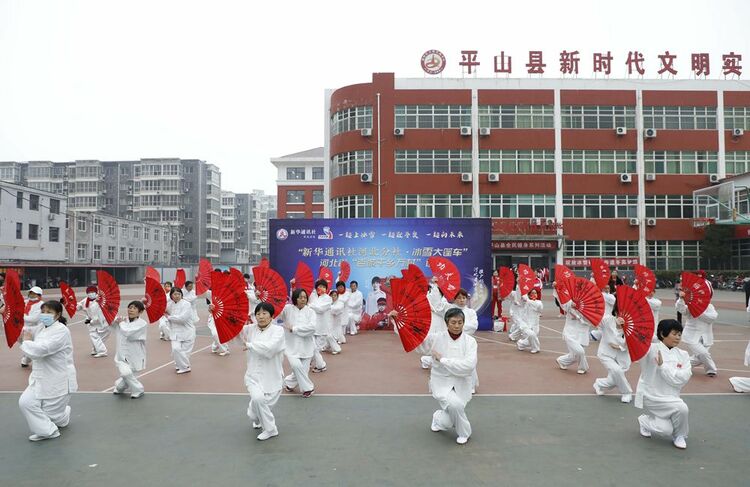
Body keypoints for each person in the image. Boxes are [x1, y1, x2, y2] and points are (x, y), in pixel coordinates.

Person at [408, 307, 477, 445]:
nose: (457, 326)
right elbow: (418, 343)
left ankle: (438, 418)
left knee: (449, 418)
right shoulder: (436, 338)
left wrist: (443, 360)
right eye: (453, 322)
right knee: (455, 405)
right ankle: (465, 433)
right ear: (446, 323)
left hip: (462, 383)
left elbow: (468, 366)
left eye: (460, 322)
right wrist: (400, 325)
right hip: (441, 382)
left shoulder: (470, 342)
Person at [18, 300, 77, 441]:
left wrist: (26, 341)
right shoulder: (40, 328)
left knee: (50, 416)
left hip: (58, 378)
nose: (45, 315)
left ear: (58, 315)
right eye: (43, 312)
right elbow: (24, 336)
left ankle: (60, 418)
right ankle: (49, 430)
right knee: (25, 402)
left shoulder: (61, 331)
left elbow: (42, 349)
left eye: (49, 312)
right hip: (40, 376)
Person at [635, 319, 692, 449]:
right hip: (651, 396)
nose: (678, 337)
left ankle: (645, 422)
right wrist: (621, 328)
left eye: (679, 334)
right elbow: (636, 350)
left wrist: (662, 366)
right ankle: (680, 435)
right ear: (662, 334)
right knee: (682, 407)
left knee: (665, 430)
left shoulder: (683, 355)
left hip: (672, 398)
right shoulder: (651, 349)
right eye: (674, 334)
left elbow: (682, 379)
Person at [244, 302, 286, 441]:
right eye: (258, 314)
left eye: (264, 313)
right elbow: (235, 333)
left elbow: (269, 349)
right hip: (253, 375)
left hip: (272, 377)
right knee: (258, 399)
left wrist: (250, 345)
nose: (261, 317)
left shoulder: (278, 331)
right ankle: (271, 429)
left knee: (254, 413)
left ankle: (258, 418)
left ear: (271, 316)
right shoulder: (250, 329)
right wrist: (216, 314)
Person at [280, 289, 316, 397]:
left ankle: (288, 383)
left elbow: (312, 328)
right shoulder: (287, 309)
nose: (303, 299)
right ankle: (308, 388)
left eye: (305, 297)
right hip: (291, 346)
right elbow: (276, 313)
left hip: (307, 346)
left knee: (302, 372)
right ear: (295, 298)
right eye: (301, 297)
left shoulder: (311, 312)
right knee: (296, 366)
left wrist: (294, 329)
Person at [675, 291, 718, 376]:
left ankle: (682, 365)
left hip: (706, 337)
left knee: (699, 358)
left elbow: (712, 318)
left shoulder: (710, 307)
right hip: (691, 336)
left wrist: (698, 312)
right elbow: (681, 309)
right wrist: (681, 299)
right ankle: (711, 370)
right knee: (703, 354)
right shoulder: (690, 306)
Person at [593, 310, 632, 403]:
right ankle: (627, 392)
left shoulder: (632, 324)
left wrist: (620, 346)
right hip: (606, 354)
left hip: (623, 357)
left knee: (614, 380)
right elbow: (594, 320)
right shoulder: (607, 320)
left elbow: (632, 342)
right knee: (616, 371)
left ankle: (599, 383)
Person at [111, 301, 147, 398]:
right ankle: (139, 389)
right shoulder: (122, 320)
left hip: (135, 355)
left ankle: (119, 387)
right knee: (126, 373)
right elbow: (109, 324)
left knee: (120, 385)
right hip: (121, 356)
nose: (131, 310)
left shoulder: (142, 324)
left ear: (140, 312)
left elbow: (128, 332)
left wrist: (121, 323)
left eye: (135, 308)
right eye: (130, 307)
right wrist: (113, 319)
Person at [555, 285, 592, 374]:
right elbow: (562, 303)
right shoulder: (569, 302)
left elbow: (591, 318)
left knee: (575, 355)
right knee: (580, 351)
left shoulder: (588, 304)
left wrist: (582, 318)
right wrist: (556, 288)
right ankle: (583, 368)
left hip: (582, 331)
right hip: (570, 332)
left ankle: (561, 360)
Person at [309, 279, 340, 373]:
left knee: (315, 348)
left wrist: (310, 305)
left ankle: (321, 365)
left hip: (321, 327)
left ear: (326, 289)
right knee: (311, 346)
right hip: (311, 326)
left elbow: (321, 309)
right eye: (319, 286)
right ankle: (311, 362)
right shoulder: (312, 296)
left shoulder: (328, 298)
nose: (321, 288)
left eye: (323, 287)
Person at [165, 287, 196, 374]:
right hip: (175, 332)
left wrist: (169, 317)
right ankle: (184, 366)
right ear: (171, 295)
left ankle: (184, 367)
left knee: (185, 353)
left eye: (179, 294)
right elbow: (160, 309)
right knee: (176, 349)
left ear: (181, 295)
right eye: (175, 294)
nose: (177, 296)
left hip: (187, 332)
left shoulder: (186, 304)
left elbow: (183, 319)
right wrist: (146, 303)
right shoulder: (170, 304)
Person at [420, 280, 450, 369]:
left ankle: (426, 360)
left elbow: (443, 310)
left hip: (443, 323)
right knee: (435, 344)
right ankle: (429, 361)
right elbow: (437, 308)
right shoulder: (430, 296)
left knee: (443, 345)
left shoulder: (444, 299)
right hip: (433, 322)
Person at [77, 285, 111, 358]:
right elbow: (77, 307)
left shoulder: (101, 300)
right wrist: (68, 302)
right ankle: (101, 351)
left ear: (96, 292)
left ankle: (96, 349)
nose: (91, 293)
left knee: (102, 336)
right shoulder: (85, 301)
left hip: (102, 321)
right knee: (94, 336)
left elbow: (101, 312)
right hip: (91, 322)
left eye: (92, 292)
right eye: (89, 292)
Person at [20, 286, 45, 367]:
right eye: (30, 293)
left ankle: (27, 360)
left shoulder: (41, 305)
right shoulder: (25, 302)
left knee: (34, 345)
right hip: (25, 327)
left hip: (37, 328)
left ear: (39, 295)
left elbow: (34, 319)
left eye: (34, 294)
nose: (31, 295)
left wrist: (21, 316)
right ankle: (27, 359)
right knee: (26, 345)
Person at [514, 288, 543, 354]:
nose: (534, 294)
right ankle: (536, 348)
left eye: (535, 293)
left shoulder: (539, 303)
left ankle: (520, 343)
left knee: (531, 339)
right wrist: (519, 284)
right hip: (525, 324)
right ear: (529, 295)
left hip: (535, 325)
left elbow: (538, 307)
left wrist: (527, 299)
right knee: (531, 335)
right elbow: (519, 296)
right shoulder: (525, 302)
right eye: (532, 293)